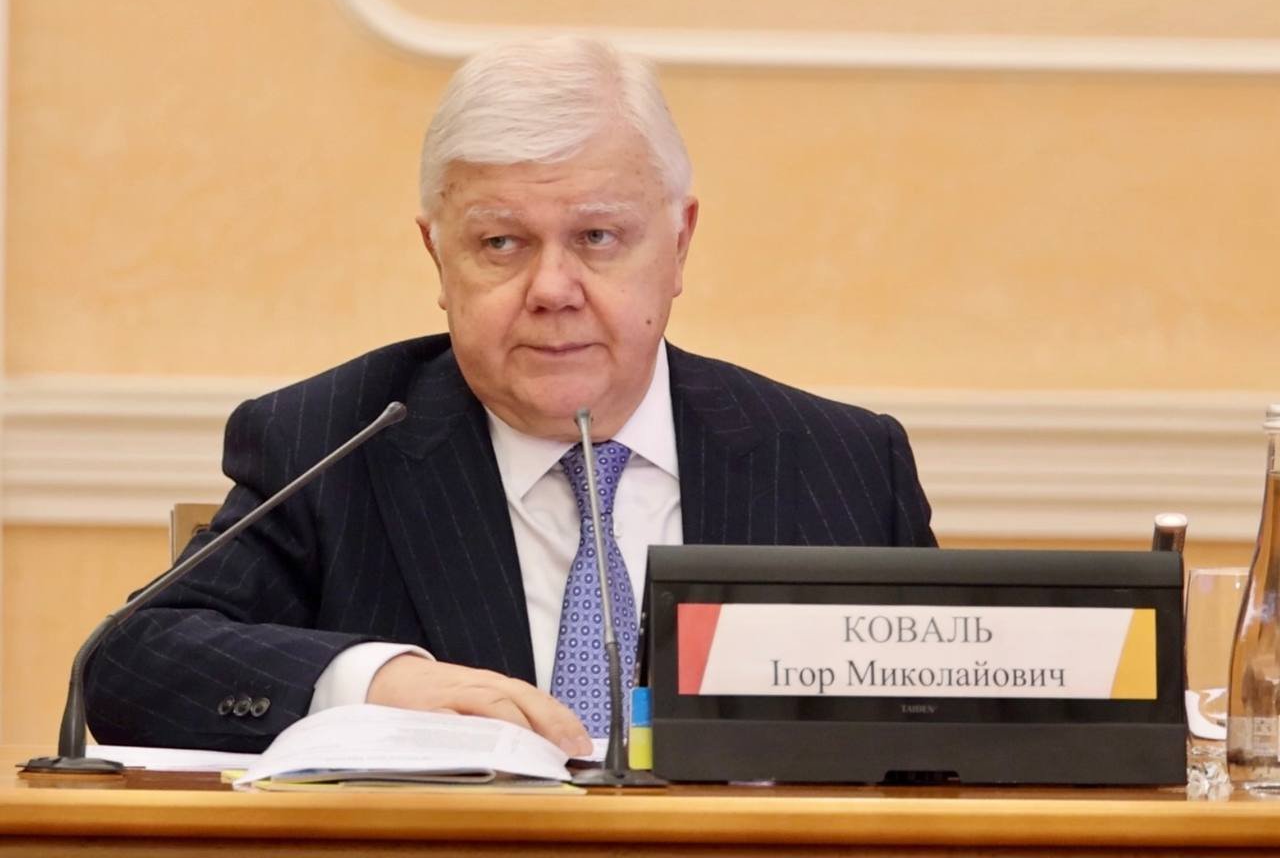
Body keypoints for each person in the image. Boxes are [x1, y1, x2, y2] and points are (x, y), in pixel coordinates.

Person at [85, 37, 935, 755]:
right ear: (438, 257)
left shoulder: (842, 467)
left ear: (679, 244)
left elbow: (948, 730)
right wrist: (376, 684)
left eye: (597, 236)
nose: (552, 289)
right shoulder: (334, 443)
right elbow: (130, 662)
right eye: (501, 243)